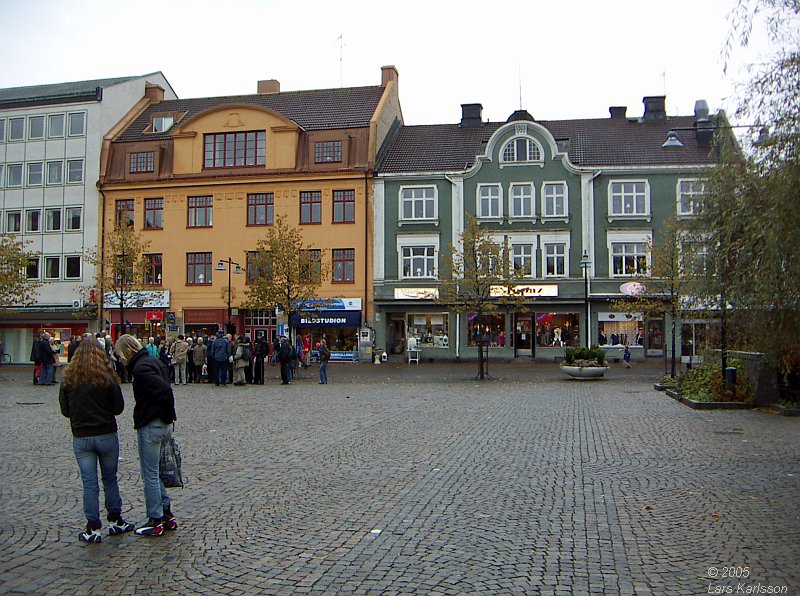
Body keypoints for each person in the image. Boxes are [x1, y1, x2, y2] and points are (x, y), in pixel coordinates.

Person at [59, 339, 136, 543]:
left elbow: (65, 411)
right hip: (106, 434)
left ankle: (92, 527)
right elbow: (118, 408)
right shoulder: (107, 379)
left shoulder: (68, 380)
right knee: (110, 479)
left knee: (89, 482)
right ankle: (115, 519)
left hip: (82, 436)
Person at [114, 334, 177, 537]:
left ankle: (155, 518)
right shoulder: (153, 362)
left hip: (151, 423)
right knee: (155, 472)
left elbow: (164, 390)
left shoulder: (141, 368)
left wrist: (166, 414)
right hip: (162, 423)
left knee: (149, 473)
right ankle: (166, 514)